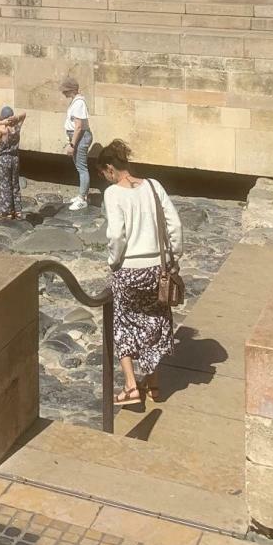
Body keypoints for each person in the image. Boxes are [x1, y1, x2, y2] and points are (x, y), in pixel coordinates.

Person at [96, 138, 183, 408]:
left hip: (130, 268)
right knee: (156, 321)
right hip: (157, 268)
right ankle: (154, 384)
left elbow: (116, 235)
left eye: (104, 174)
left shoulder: (113, 194)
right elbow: (175, 224)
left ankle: (132, 385)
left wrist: (114, 260)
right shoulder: (154, 186)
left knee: (123, 322)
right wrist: (173, 255)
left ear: (110, 169)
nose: (106, 179)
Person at [0, 105, 26, 221]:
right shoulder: (17, 128)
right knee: (15, 184)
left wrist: (3, 122)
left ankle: (7, 211)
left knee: (5, 185)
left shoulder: (5, 130)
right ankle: (18, 210)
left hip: (5, 159)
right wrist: (15, 118)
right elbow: (24, 114)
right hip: (15, 158)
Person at [61, 76, 92, 211]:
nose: (63, 93)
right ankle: (82, 195)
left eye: (65, 91)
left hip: (80, 137)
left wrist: (72, 145)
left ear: (71, 90)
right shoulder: (76, 101)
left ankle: (82, 198)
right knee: (80, 167)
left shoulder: (79, 103)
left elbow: (78, 126)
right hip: (77, 136)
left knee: (82, 168)